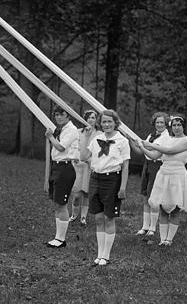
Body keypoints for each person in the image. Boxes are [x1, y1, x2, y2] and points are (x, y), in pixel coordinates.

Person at [80, 108, 130, 266]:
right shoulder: (96, 139)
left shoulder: (122, 141)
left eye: (110, 121)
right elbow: (83, 157)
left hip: (112, 180)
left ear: (116, 123)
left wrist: (122, 187)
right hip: (95, 178)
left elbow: (126, 167)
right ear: (100, 124)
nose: (107, 124)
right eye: (104, 121)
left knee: (109, 218)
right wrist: (87, 137)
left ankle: (106, 255)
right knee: (98, 218)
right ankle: (100, 253)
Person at [140, 115, 187, 246]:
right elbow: (154, 155)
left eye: (179, 125)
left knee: (175, 207)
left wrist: (151, 145)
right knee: (163, 207)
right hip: (163, 174)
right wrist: (142, 147)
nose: (176, 128)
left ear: (183, 126)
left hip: (177, 175)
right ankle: (162, 239)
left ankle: (169, 239)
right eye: (174, 125)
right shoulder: (166, 140)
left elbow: (170, 151)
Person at [43, 106, 80, 248]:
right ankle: (57, 237)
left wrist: (50, 137)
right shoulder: (61, 129)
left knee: (62, 204)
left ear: (68, 115)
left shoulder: (71, 129)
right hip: (56, 167)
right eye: (56, 115)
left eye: (61, 115)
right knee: (57, 204)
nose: (58, 117)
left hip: (65, 168)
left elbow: (61, 147)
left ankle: (61, 239)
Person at [130, 112, 169, 237]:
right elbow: (142, 152)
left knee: (154, 197)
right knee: (146, 196)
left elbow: (152, 151)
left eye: (162, 122)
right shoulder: (151, 135)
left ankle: (152, 228)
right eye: (157, 122)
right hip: (147, 165)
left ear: (166, 123)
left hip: (157, 165)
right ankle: (145, 227)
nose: (159, 125)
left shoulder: (166, 137)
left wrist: (142, 146)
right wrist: (132, 141)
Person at [69, 110, 98, 226]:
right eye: (88, 118)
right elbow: (72, 147)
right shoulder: (77, 132)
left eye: (93, 117)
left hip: (90, 166)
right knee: (76, 195)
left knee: (86, 193)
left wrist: (91, 160)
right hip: (77, 165)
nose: (91, 120)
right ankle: (74, 215)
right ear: (84, 120)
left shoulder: (99, 134)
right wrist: (74, 156)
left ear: (96, 120)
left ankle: (83, 218)